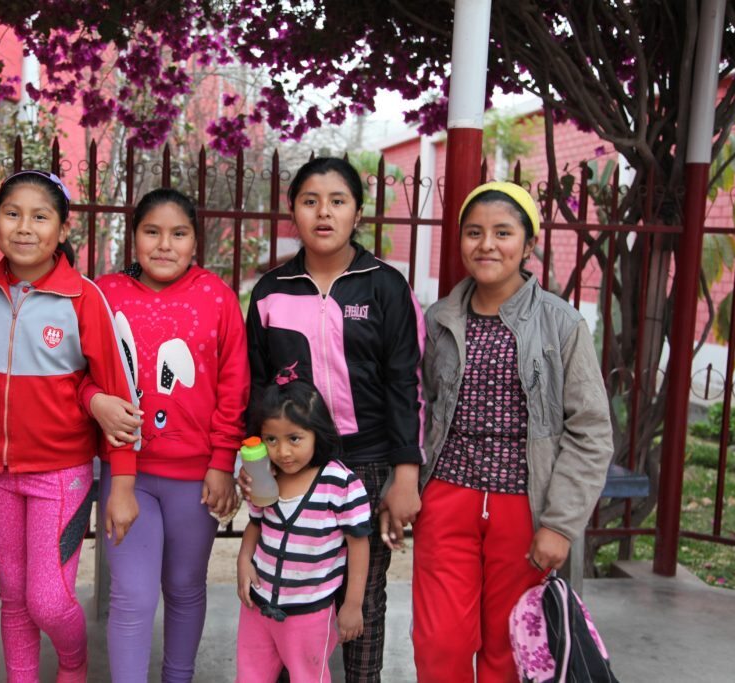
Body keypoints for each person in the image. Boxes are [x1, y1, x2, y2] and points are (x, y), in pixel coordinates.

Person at [413, 181, 613, 682]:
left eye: (503, 233)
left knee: (512, 645)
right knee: (440, 642)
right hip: (447, 499)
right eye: (474, 232)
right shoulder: (439, 320)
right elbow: (422, 406)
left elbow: (590, 431)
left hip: (524, 509)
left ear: (527, 246)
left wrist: (561, 523)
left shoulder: (562, 324)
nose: (487, 244)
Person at [242, 156, 424, 682]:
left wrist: (404, 472)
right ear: (292, 212)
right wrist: (257, 471)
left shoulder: (384, 286)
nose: (324, 212)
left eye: (337, 201)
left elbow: (404, 383)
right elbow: (256, 388)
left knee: (360, 598)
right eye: (310, 200)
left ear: (358, 213)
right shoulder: (272, 291)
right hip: (289, 465)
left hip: (365, 460)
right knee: (285, 587)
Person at [0, 170, 137, 683]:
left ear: (62, 230)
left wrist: (122, 481)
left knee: (48, 598)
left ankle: (73, 665)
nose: (24, 227)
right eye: (12, 214)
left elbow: (115, 396)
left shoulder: (83, 298)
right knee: (14, 597)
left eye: (40, 217)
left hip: (61, 476)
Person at [83, 188, 249, 682]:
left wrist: (223, 462)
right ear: (134, 237)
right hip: (125, 475)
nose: (164, 244)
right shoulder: (104, 294)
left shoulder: (217, 297)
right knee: (131, 594)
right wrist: (94, 398)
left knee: (183, 587)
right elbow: (78, 372)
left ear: (195, 240)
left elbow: (234, 385)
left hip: (195, 476)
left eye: (178, 234)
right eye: (152, 232)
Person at [236, 377, 371, 682]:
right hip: (257, 609)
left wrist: (352, 604)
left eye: (294, 439)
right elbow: (255, 524)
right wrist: (243, 561)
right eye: (271, 440)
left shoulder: (339, 482)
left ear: (316, 434)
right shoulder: (265, 477)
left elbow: (359, 544)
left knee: (308, 676)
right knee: (249, 676)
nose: (283, 451)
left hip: (309, 615)